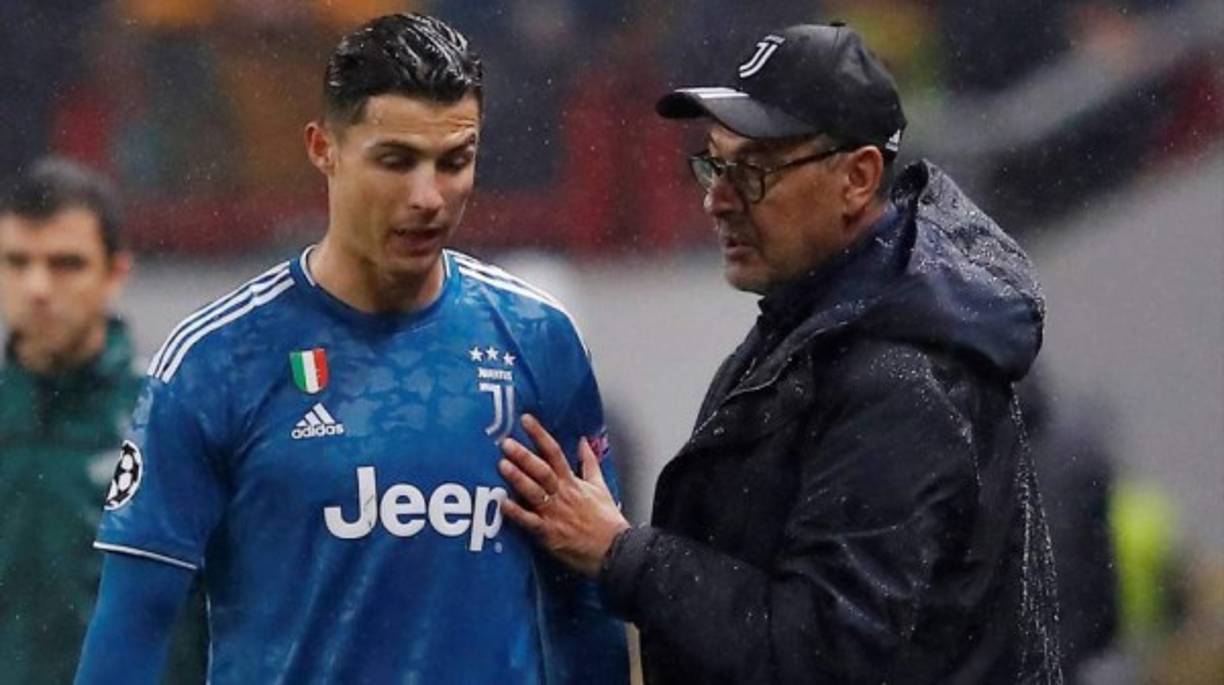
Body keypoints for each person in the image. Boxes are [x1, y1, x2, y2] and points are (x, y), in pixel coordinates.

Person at [497, 22, 1064, 683]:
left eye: (753, 171)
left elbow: (822, 655)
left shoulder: (902, 379)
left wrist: (621, 552)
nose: (717, 198)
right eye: (713, 162)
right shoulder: (813, 333)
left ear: (857, 178)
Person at [75, 13, 627, 683]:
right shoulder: (217, 360)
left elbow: (585, 612)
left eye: (454, 161)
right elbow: (133, 628)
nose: (428, 197)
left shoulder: (538, 342)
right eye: (395, 160)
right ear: (323, 148)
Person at [0, 158, 206, 683]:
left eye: (65, 263)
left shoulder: (170, 421)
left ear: (116, 272)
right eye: (17, 262)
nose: (38, 287)